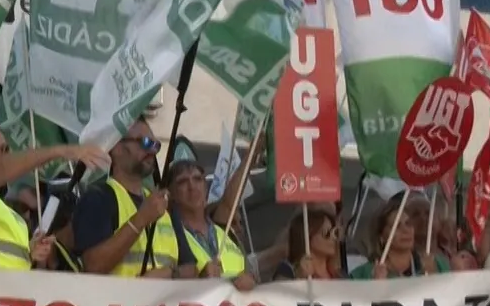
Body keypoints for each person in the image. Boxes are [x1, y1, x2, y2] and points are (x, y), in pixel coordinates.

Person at [0, 123, 104, 271]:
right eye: (3, 150)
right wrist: (60, 151)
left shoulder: (11, 216)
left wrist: (30, 253)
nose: (9, 156)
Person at [74, 118, 173, 277]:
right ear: (116, 148)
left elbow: (190, 267)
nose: (152, 151)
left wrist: (171, 273)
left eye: (155, 145)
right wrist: (141, 219)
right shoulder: (98, 199)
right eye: (145, 142)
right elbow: (93, 266)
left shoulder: (163, 203)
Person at [156, 160, 257, 289]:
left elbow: (252, 278)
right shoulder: (167, 236)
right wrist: (200, 280)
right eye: (182, 182)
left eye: (197, 179)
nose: (192, 186)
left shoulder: (228, 235)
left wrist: (250, 281)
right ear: (171, 193)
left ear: (206, 187)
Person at [352, 197, 451, 279]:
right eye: (396, 226)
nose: (405, 230)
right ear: (381, 237)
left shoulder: (438, 265)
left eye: (408, 224)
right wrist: (375, 287)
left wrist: (433, 276)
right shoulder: (363, 274)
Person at [272, 207, 344, 281]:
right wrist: (300, 278)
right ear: (307, 236)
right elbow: (279, 288)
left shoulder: (341, 275)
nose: (333, 238)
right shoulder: (288, 271)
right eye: (326, 233)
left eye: (335, 233)